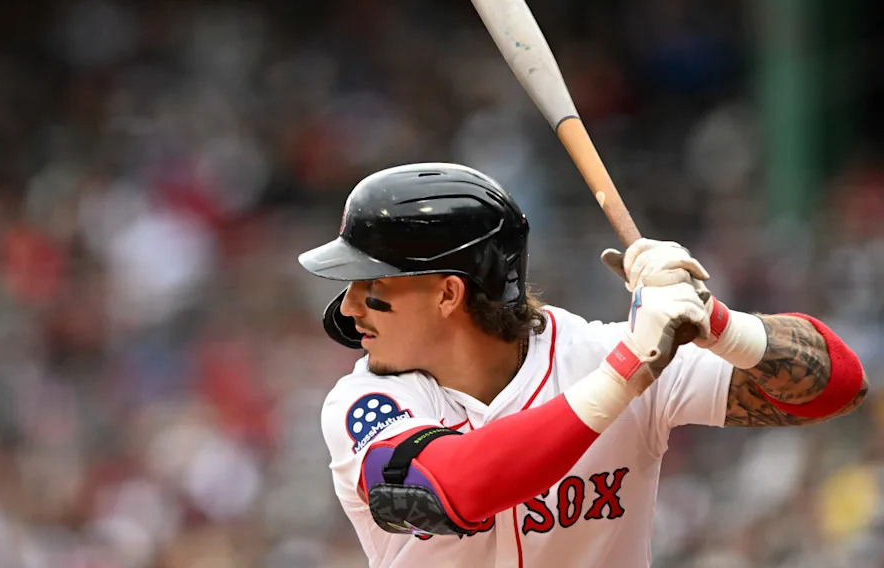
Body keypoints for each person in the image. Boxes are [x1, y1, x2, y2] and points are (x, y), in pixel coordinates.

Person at [298, 162, 868, 568]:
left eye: (373, 287)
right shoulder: (366, 400)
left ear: (449, 294)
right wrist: (625, 374)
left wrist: (713, 320)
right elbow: (443, 488)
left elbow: (838, 386)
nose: (349, 309)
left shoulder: (600, 354)